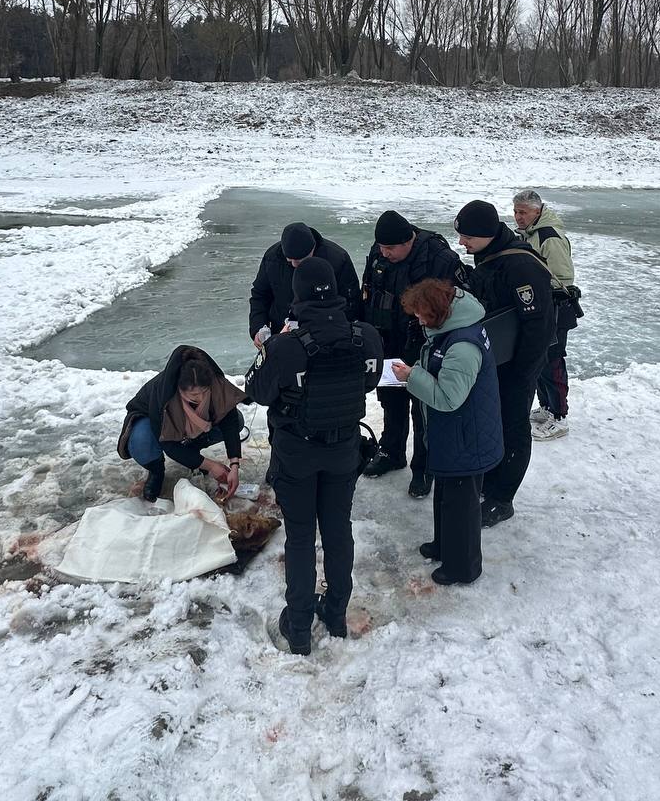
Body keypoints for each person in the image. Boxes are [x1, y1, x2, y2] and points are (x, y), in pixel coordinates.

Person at [244, 257, 383, 655]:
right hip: (342, 451)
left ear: (297, 295)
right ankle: (335, 613)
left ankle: (300, 626)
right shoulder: (366, 336)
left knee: (301, 538)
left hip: (297, 453)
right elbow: (371, 380)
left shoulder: (287, 346)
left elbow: (256, 390)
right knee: (338, 531)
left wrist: (279, 350)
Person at [391, 280, 503, 586]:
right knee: (446, 495)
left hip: (467, 437)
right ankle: (444, 546)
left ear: (438, 313)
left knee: (461, 505)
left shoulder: (462, 347)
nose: (418, 320)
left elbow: (449, 398)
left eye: (421, 315)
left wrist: (413, 376)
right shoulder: (451, 331)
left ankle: (462, 567)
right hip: (458, 433)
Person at [454, 200, 556, 528]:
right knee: (492, 422)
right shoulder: (489, 254)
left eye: (467, 237)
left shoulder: (521, 266)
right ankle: (491, 480)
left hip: (517, 365)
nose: (461, 243)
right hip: (495, 358)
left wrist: (520, 375)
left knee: (513, 427)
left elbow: (538, 327)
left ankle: (502, 498)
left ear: (485, 234)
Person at [361, 210, 467, 497]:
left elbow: (456, 306)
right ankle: (392, 452)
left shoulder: (439, 258)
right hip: (389, 343)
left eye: (391, 248)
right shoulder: (379, 251)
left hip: (425, 346)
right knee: (391, 402)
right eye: (381, 247)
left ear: (409, 240)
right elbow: (367, 291)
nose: (385, 253)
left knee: (423, 410)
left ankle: (424, 467)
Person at [118, 346, 247, 503]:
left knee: (238, 419)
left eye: (204, 392)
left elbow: (230, 421)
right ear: (180, 388)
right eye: (193, 395)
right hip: (149, 421)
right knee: (142, 440)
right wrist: (211, 465)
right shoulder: (163, 395)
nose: (200, 398)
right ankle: (156, 471)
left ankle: (191, 452)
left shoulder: (216, 385)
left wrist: (234, 464)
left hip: (191, 426)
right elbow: (167, 443)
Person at [513, 189, 578, 441]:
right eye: (516, 211)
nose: (518, 217)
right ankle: (547, 407)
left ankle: (559, 416)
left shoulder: (548, 237)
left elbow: (562, 277)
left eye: (523, 212)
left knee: (552, 359)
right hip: (542, 308)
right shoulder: (530, 233)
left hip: (556, 308)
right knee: (539, 360)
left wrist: (539, 292)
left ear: (537, 212)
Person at [249, 222, 361, 348]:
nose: (294, 264)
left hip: (323, 339)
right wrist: (258, 327)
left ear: (313, 249)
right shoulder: (272, 258)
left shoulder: (337, 259)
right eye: (289, 260)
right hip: (281, 336)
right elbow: (260, 295)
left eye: (299, 260)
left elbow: (351, 302)